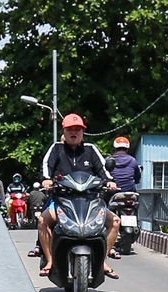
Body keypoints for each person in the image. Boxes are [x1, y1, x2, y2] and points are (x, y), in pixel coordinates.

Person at [37, 113, 120, 277]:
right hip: (62, 200)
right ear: (64, 131)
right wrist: (46, 180)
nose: (74, 133)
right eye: (70, 130)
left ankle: (102, 260)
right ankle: (50, 260)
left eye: (77, 129)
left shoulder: (90, 149)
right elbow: (46, 166)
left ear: (83, 132)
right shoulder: (56, 148)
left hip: (91, 201)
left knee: (115, 221)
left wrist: (109, 181)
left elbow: (103, 170)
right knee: (42, 220)